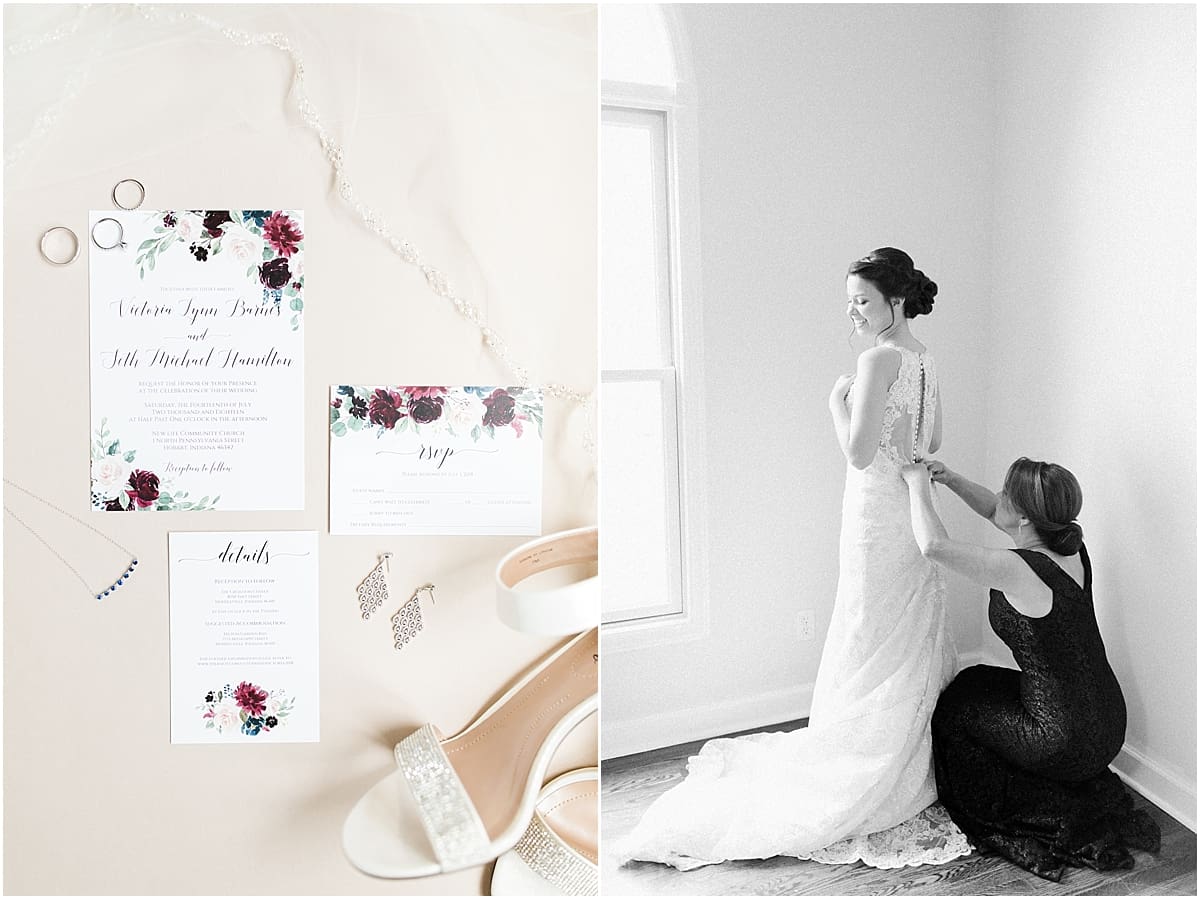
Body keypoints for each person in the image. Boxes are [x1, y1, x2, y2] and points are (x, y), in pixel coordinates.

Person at [616, 248, 970, 870]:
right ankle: (903, 760)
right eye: (851, 301)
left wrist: (835, 406)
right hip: (908, 510)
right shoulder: (924, 359)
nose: (852, 311)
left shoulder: (879, 359)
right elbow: (931, 441)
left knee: (866, 629)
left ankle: (859, 759)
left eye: (861, 300)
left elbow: (859, 455)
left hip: (871, 514)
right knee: (897, 634)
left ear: (894, 301)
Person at [901, 457, 1161, 880]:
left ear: (1024, 516)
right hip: (1109, 723)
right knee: (975, 681)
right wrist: (950, 479)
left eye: (1006, 493)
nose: (997, 498)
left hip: (1062, 738)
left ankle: (1022, 795)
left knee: (955, 713)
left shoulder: (1017, 567)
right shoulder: (1070, 547)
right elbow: (994, 510)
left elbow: (934, 546)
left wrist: (915, 483)